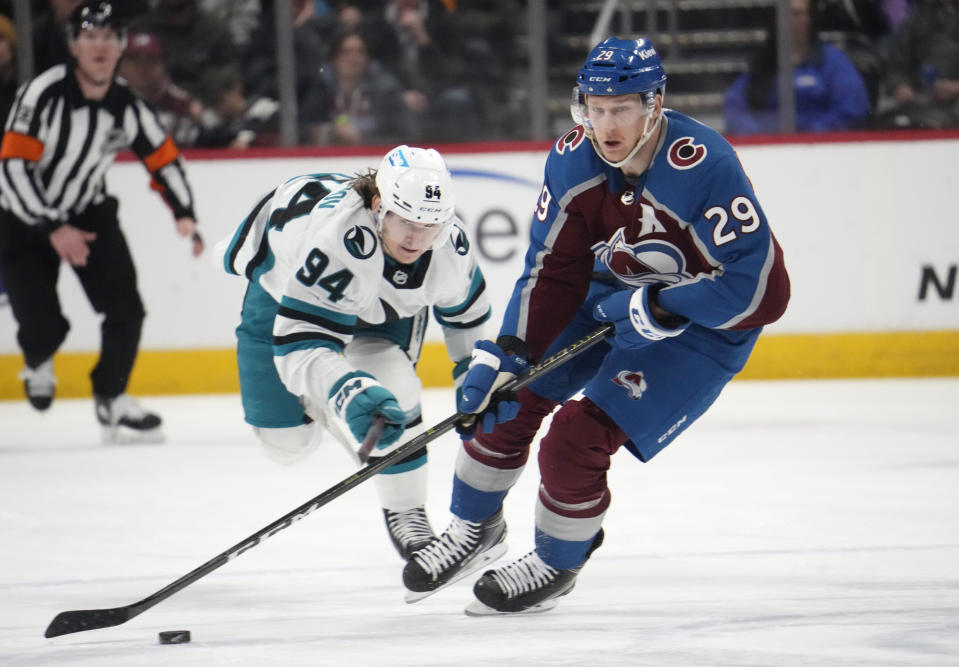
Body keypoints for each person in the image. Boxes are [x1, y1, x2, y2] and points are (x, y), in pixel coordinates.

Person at [402, 37, 791, 614]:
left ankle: (558, 563)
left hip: (703, 327)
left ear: (655, 104)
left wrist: (664, 306)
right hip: (607, 297)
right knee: (505, 398)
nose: (606, 125)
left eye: (623, 108)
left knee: (576, 440)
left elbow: (763, 290)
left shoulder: (704, 166)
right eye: (596, 107)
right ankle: (474, 529)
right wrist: (505, 351)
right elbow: (552, 272)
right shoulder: (571, 160)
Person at [215, 145, 491, 559]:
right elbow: (301, 345)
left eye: (430, 225)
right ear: (379, 208)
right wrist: (345, 391)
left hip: (381, 309)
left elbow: (465, 313)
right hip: (286, 294)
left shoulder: (447, 247)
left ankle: (406, 509)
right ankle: (331, 401)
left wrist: (473, 375)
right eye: (405, 222)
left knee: (394, 385)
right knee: (286, 445)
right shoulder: (335, 241)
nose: (417, 238)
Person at [0, 1, 203, 442]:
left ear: (121, 47)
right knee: (42, 324)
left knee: (126, 309)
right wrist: (52, 226)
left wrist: (185, 214)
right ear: (74, 45)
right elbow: (12, 167)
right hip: (23, 218)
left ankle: (112, 399)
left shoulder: (124, 103)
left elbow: (162, 158)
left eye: (109, 37)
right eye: (90, 36)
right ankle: (38, 358)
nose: (100, 46)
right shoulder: (42, 93)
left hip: (89, 214)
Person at [723, 0, 871, 134]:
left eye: (797, 14)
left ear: (810, 18)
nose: (790, 20)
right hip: (772, 148)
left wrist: (814, 132)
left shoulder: (832, 60)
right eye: (784, 14)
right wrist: (758, 133)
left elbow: (853, 107)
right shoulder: (764, 62)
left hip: (823, 148)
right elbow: (735, 104)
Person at [876, 0, 959, 129]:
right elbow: (897, 62)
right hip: (920, 95)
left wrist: (956, 87)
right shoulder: (920, 15)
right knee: (886, 113)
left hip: (955, 98)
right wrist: (899, 86)